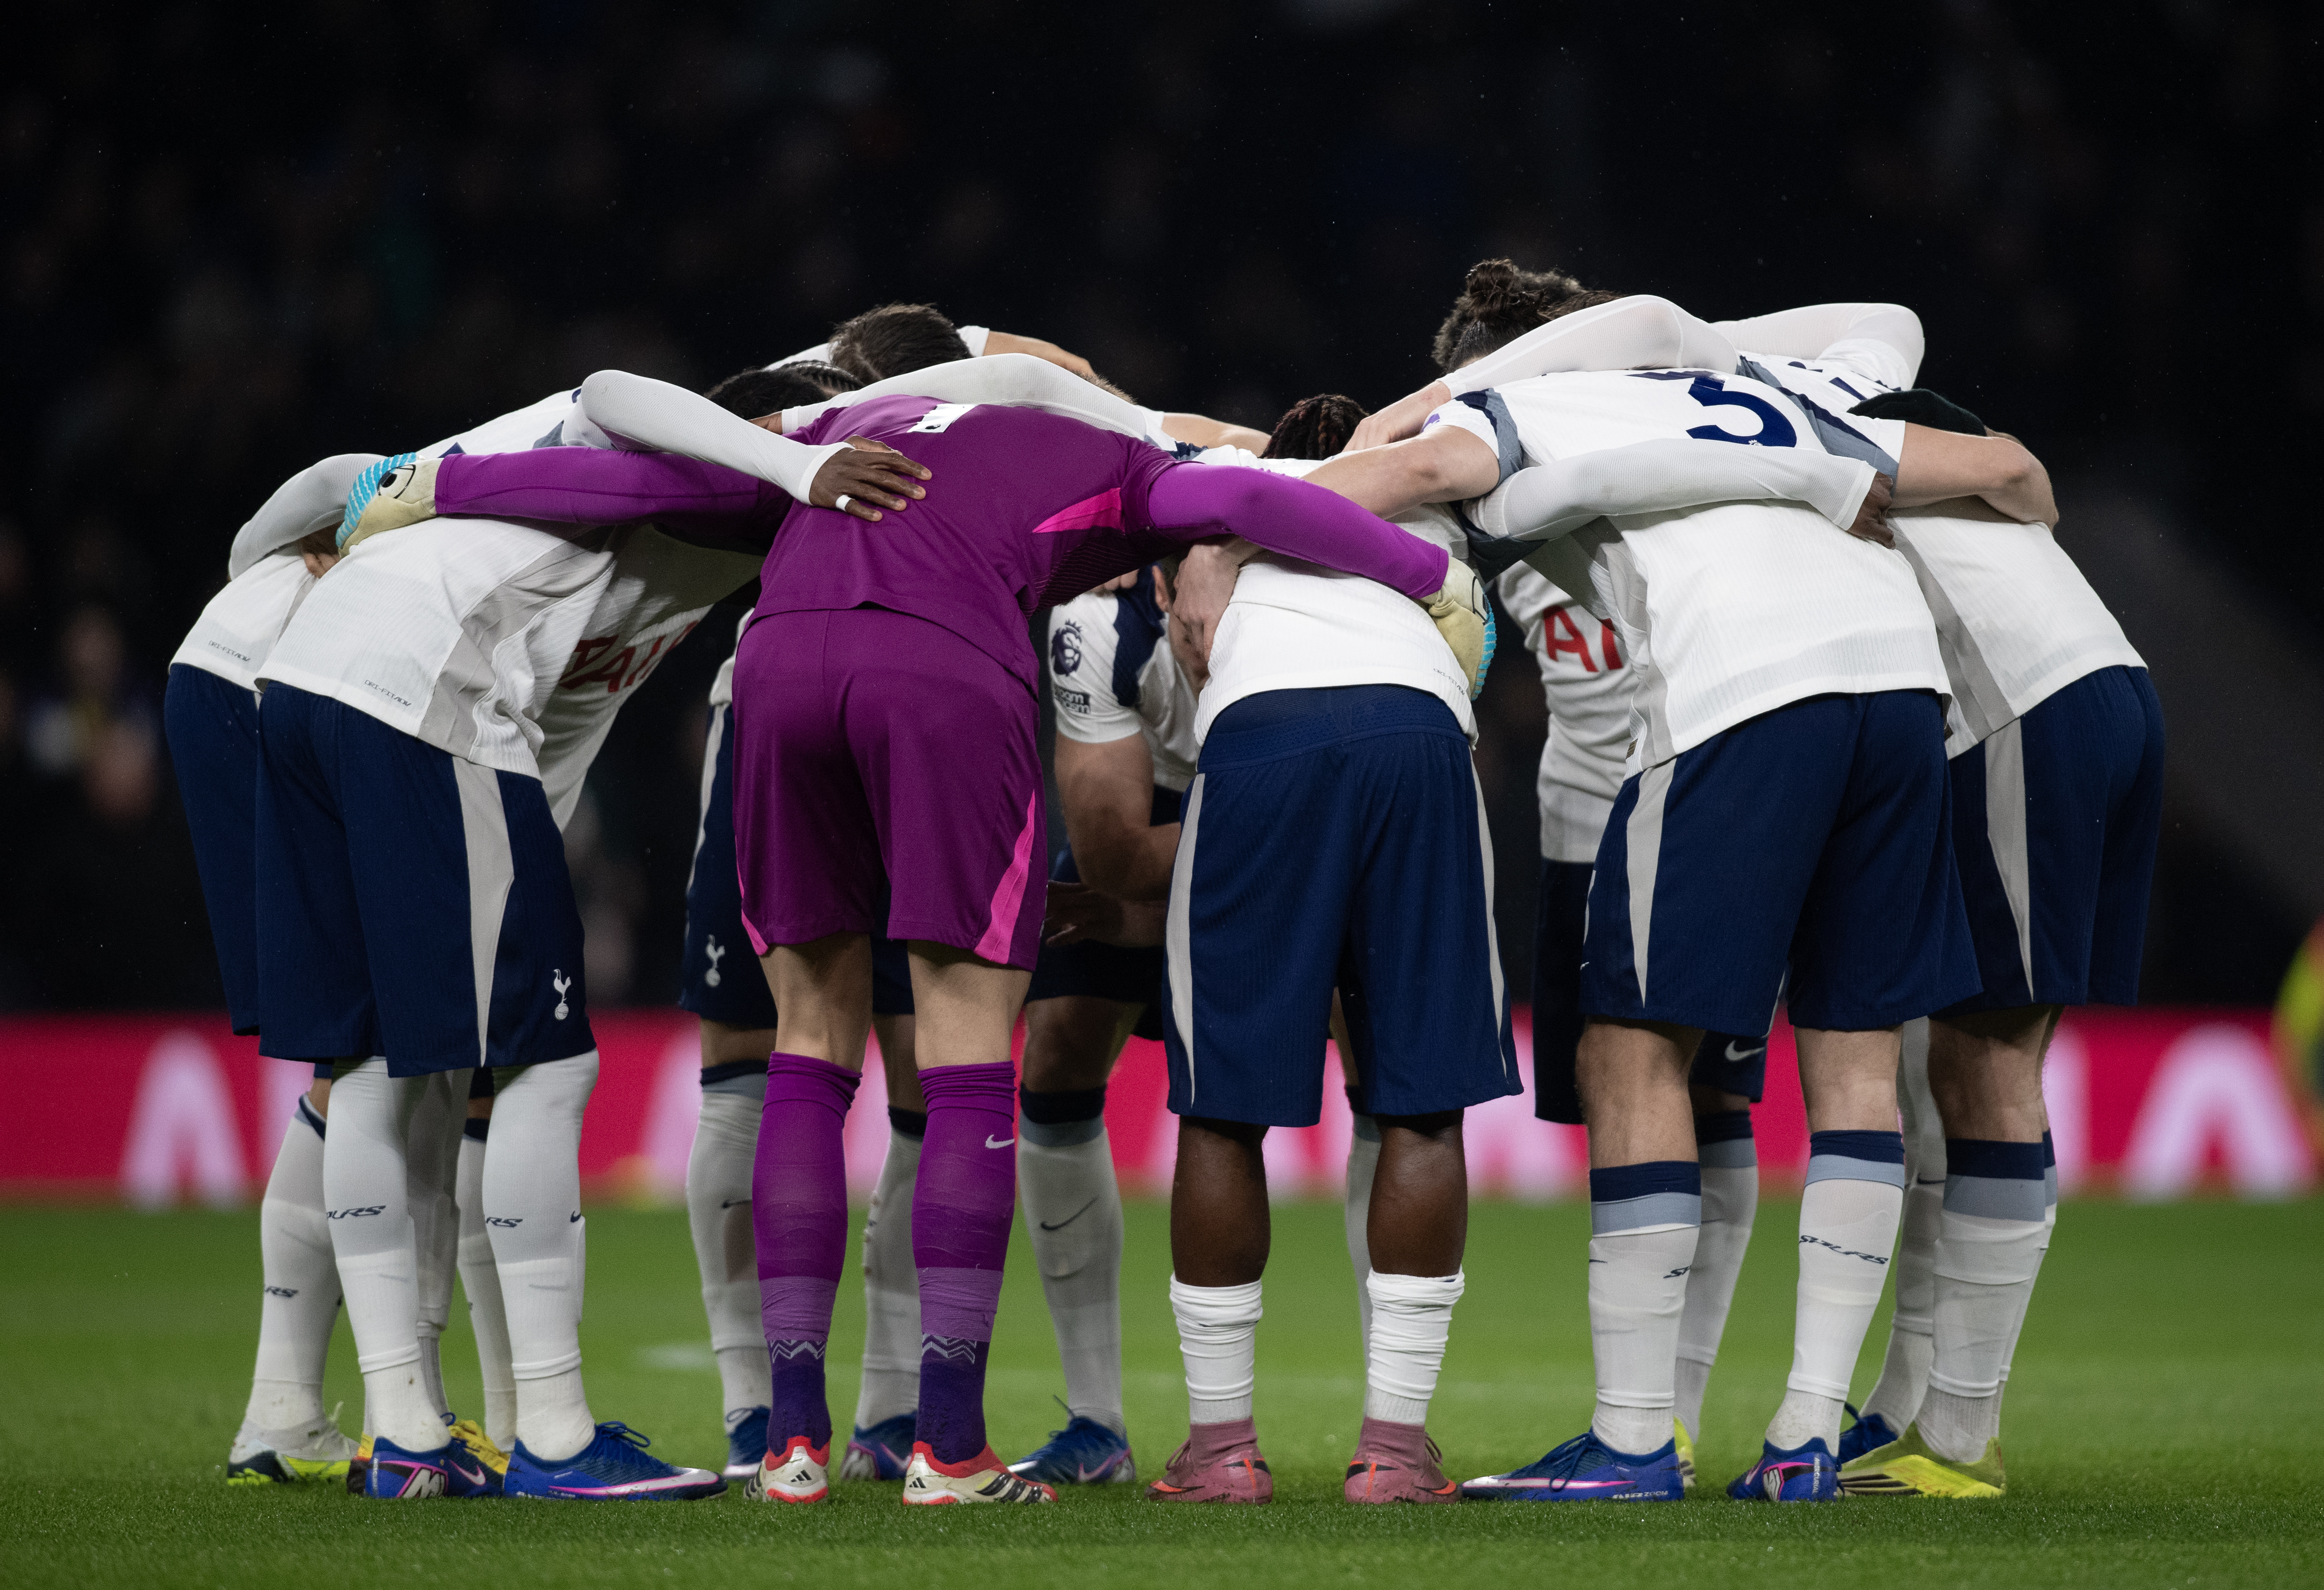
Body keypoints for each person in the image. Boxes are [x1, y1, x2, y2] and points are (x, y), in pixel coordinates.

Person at [412, 376, 1487, 1506]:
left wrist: (426, 484)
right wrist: (1432, 581)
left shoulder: (844, 427)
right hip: (942, 673)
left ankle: (788, 1443)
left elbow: (625, 476)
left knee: (808, 1039)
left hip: (778, 671)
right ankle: (949, 1447)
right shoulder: (1118, 462)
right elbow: (1267, 506)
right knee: (968, 1040)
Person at [1276, 286, 2010, 1503]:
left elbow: (1389, 486)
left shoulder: (1513, 407)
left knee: (1632, 1055)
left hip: (1743, 695)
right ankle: (1801, 1438)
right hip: (1897, 682)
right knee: (1850, 1060)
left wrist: (1233, 504)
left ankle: (1630, 1444)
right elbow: (1891, 323)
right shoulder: (1745, 393)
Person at [245, 364, 929, 1501]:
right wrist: (797, 462)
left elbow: (558, 723)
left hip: (317, 689)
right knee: (547, 1064)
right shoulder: (681, 469)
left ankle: (405, 1428)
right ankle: (555, 1437)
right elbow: (610, 383)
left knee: (372, 1059)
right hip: (420, 694)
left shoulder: (684, 548)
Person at [1694, 307, 2162, 1498]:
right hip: (2080, 688)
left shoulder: (1798, 431)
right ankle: (1908, 1411)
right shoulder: (1804, 407)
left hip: (2017, 709)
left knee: (1980, 1064)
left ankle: (1960, 1437)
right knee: (1939, 1070)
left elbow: (2012, 467)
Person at [165, 460, 377, 1486]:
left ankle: (285, 1407)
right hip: (272, 695)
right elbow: (345, 476)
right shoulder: (481, 475)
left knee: (358, 1048)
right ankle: (396, 1415)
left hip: (227, 683)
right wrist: (404, 487)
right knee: (381, 1041)